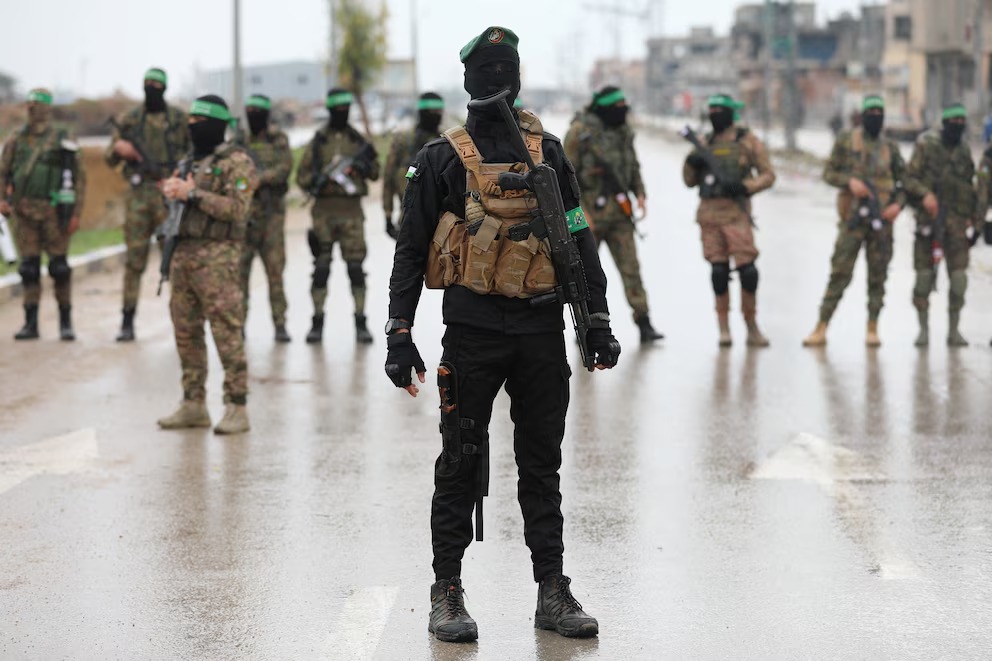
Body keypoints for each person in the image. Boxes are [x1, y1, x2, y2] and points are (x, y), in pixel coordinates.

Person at [385, 26, 620, 643]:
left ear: (518, 78)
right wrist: (399, 331)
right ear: (468, 80)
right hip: (473, 333)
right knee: (460, 462)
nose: (497, 80)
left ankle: (552, 591)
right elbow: (410, 249)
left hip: (541, 330)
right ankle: (447, 591)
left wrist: (597, 317)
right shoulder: (439, 159)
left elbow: (578, 234)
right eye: (487, 70)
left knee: (542, 466)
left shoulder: (550, 155)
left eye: (506, 69)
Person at [157, 95, 254, 435]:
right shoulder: (189, 162)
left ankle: (237, 406)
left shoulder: (236, 162)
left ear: (216, 125)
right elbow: (179, 207)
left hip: (218, 258)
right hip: (183, 254)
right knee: (186, 332)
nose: (192, 128)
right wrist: (172, 191)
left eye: (199, 123)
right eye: (190, 123)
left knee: (226, 332)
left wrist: (192, 194)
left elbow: (238, 209)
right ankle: (193, 403)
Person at [803, 95, 921, 347]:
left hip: (882, 222)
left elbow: (906, 183)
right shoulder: (847, 141)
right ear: (862, 116)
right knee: (840, 273)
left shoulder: (890, 148)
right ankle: (821, 326)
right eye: (871, 113)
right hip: (852, 221)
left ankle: (872, 328)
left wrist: (897, 206)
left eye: (879, 113)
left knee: (878, 276)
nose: (875, 117)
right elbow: (828, 173)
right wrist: (849, 182)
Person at [564, 86, 664, 343]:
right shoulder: (580, 132)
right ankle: (586, 325)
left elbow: (632, 165)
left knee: (631, 269)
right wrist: (580, 211)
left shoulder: (622, 131)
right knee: (585, 273)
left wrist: (640, 193)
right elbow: (565, 176)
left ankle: (644, 322)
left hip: (620, 214)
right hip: (589, 216)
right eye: (617, 107)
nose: (622, 112)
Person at [682, 93, 775, 347]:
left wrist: (746, 187)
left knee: (748, 272)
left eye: (719, 110)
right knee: (719, 272)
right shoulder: (704, 142)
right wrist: (692, 161)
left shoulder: (747, 141)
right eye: (711, 110)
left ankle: (751, 326)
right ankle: (723, 328)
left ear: (730, 112)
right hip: (709, 216)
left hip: (736, 215)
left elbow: (768, 175)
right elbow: (689, 181)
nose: (715, 114)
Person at [105, 68, 189, 341]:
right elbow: (109, 157)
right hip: (139, 196)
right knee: (134, 261)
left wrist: (178, 179)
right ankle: (127, 321)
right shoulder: (130, 120)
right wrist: (120, 150)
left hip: (170, 196)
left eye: (157, 83)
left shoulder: (178, 120)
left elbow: (193, 154)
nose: (152, 87)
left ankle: (182, 322)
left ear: (165, 87)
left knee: (174, 261)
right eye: (148, 83)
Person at [0, 88, 86, 341]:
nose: (32, 108)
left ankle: (66, 323)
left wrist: (75, 213)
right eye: (29, 103)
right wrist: (2, 200)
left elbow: (79, 179)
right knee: (29, 268)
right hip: (24, 213)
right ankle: (30, 323)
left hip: (55, 213)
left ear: (47, 108)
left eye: (37, 104)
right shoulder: (16, 139)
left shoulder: (62, 138)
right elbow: (3, 172)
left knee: (59, 268)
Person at [296, 88, 380, 344]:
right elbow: (301, 176)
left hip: (351, 213)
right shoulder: (318, 141)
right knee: (321, 268)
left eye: (345, 108)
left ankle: (361, 322)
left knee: (355, 269)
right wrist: (317, 180)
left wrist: (360, 167)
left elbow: (375, 171)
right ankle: (317, 322)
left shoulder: (358, 140)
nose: (342, 113)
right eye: (337, 109)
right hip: (323, 213)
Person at [905, 103, 978, 347]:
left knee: (959, 281)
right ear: (944, 123)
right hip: (929, 224)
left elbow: (970, 185)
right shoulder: (926, 145)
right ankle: (923, 330)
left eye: (962, 122)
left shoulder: (964, 150)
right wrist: (925, 195)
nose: (958, 126)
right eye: (954, 121)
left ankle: (954, 331)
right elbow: (908, 178)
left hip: (956, 227)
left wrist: (973, 218)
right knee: (923, 280)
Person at [238, 94, 293, 343]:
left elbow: (284, 168)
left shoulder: (278, 139)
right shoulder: (239, 140)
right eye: (249, 110)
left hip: (272, 218)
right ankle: (239, 325)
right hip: (245, 218)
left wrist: (261, 179)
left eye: (257, 111)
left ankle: (280, 324)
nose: (253, 114)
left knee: (275, 273)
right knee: (240, 275)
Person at [383, 92, 445, 239]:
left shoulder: (446, 141)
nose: (436, 115)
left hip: (442, 222)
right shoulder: (403, 141)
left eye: (438, 111)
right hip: (409, 217)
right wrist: (388, 215)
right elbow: (389, 179)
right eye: (431, 112)